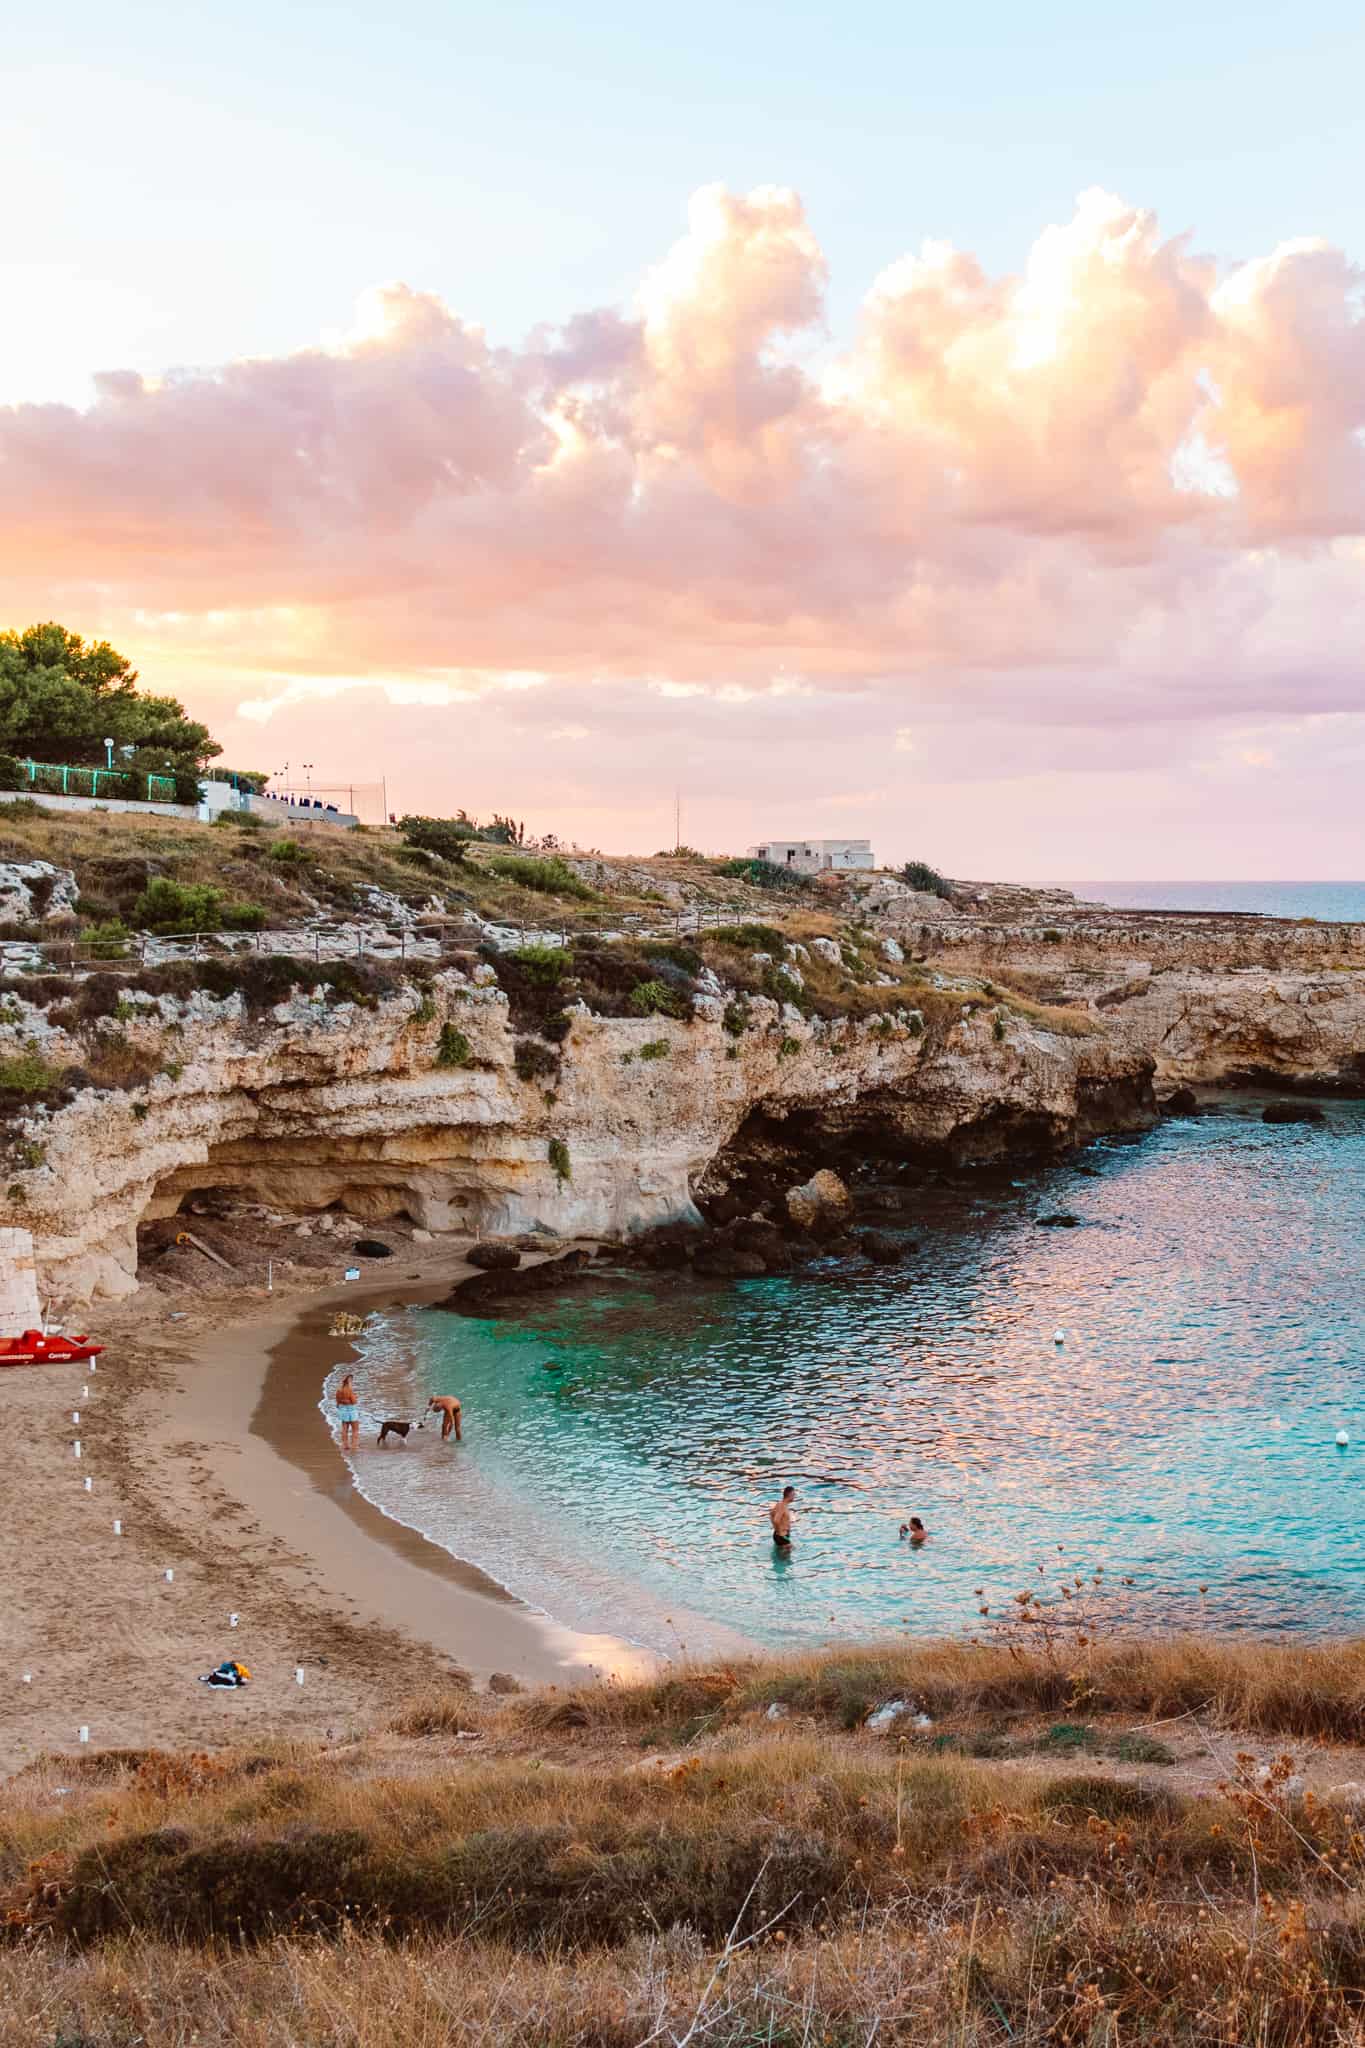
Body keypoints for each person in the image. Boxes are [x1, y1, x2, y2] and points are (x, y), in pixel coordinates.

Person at [336, 1372, 360, 1453]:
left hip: (342, 1410)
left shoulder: (339, 1390)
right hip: (351, 1410)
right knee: (355, 1429)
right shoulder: (349, 1390)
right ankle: (354, 1446)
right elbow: (354, 1402)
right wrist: (355, 1397)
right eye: (351, 1380)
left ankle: (345, 1445)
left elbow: (337, 1403)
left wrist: (344, 1401)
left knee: (344, 1429)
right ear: (349, 1381)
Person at [768, 1485, 796, 1549]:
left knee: (784, 1553)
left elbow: (771, 1514)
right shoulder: (782, 1506)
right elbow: (776, 1520)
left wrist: (776, 1530)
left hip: (780, 1535)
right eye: (794, 1495)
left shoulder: (780, 1504)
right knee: (786, 1557)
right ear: (790, 1495)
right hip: (782, 1536)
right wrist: (779, 1532)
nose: (794, 1497)